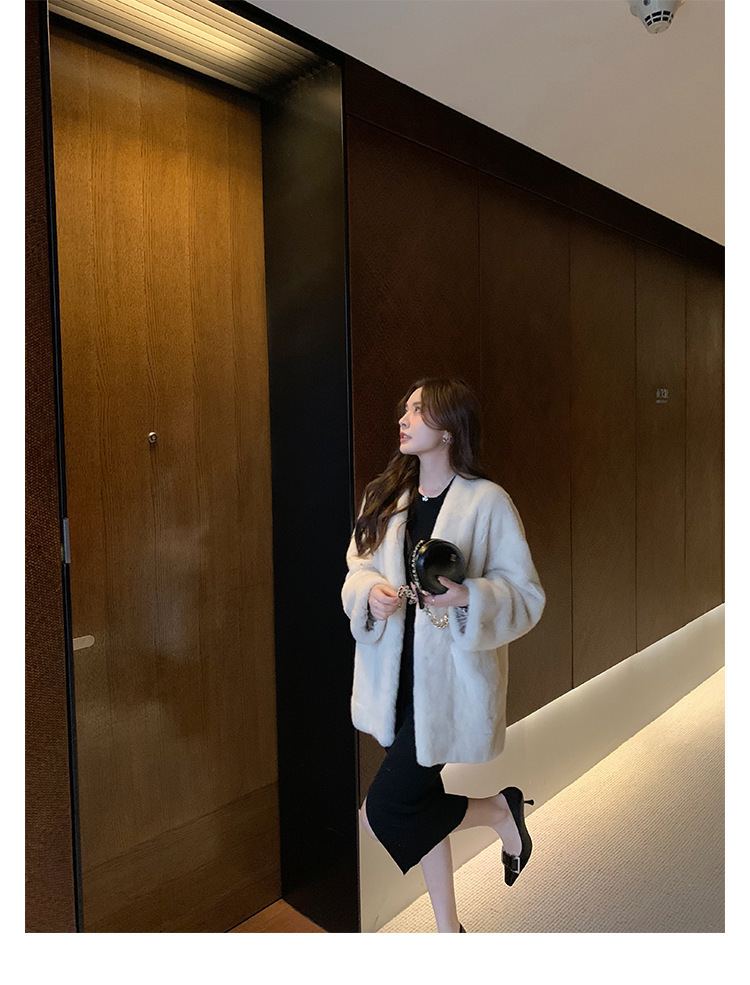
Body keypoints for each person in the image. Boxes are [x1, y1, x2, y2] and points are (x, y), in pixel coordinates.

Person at [341, 377, 546, 934]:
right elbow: (357, 568)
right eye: (404, 408)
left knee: (382, 811)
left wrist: (468, 597)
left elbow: (526, 596)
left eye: (417, 410)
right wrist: (369, 594)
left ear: (450, 428)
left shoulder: (487, 502)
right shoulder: (384, 496)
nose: (403, 419)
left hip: (450, 686)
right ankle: (449, 932)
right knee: (419, 802)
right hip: (394, 679)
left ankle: (499, 810)